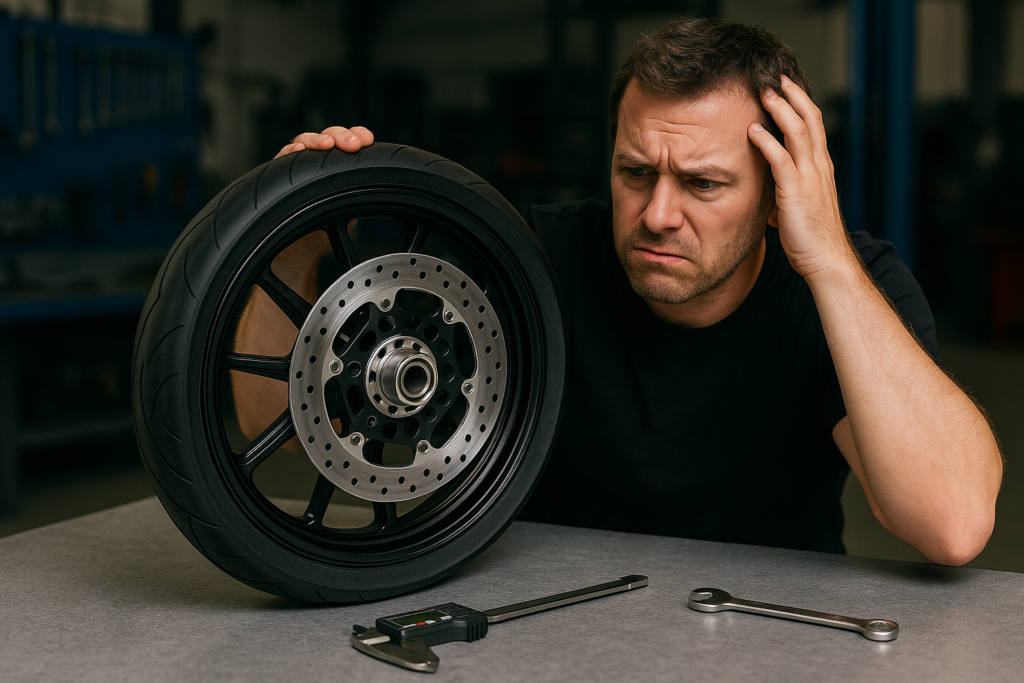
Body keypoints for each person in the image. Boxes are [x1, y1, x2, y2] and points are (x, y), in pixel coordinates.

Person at [246, 17, 1002, 565]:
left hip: (768, 639)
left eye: (704, 183)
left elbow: (952, 523)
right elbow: (265, 417)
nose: (658, 214)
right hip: (537, 619)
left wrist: (829, 258)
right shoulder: (536, 260)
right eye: (636, 173)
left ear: (779, 194)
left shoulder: (848, 285)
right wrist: (298, 238)